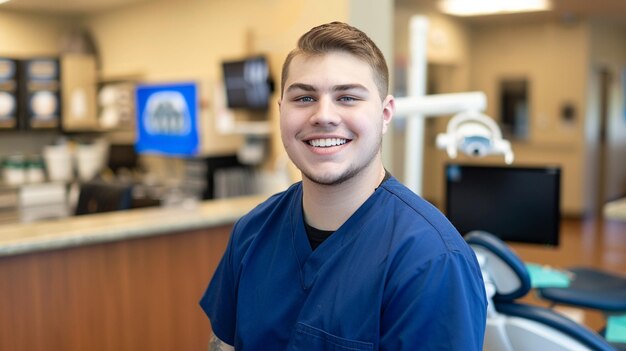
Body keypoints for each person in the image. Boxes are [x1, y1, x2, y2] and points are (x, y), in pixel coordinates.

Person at [200, 21, 487, 351]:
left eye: (347, 97)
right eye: (304, 97)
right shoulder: (251, 233)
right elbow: (224, 344)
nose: (324, 116)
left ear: (385, 113)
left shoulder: (432, 260)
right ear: (281, 111)